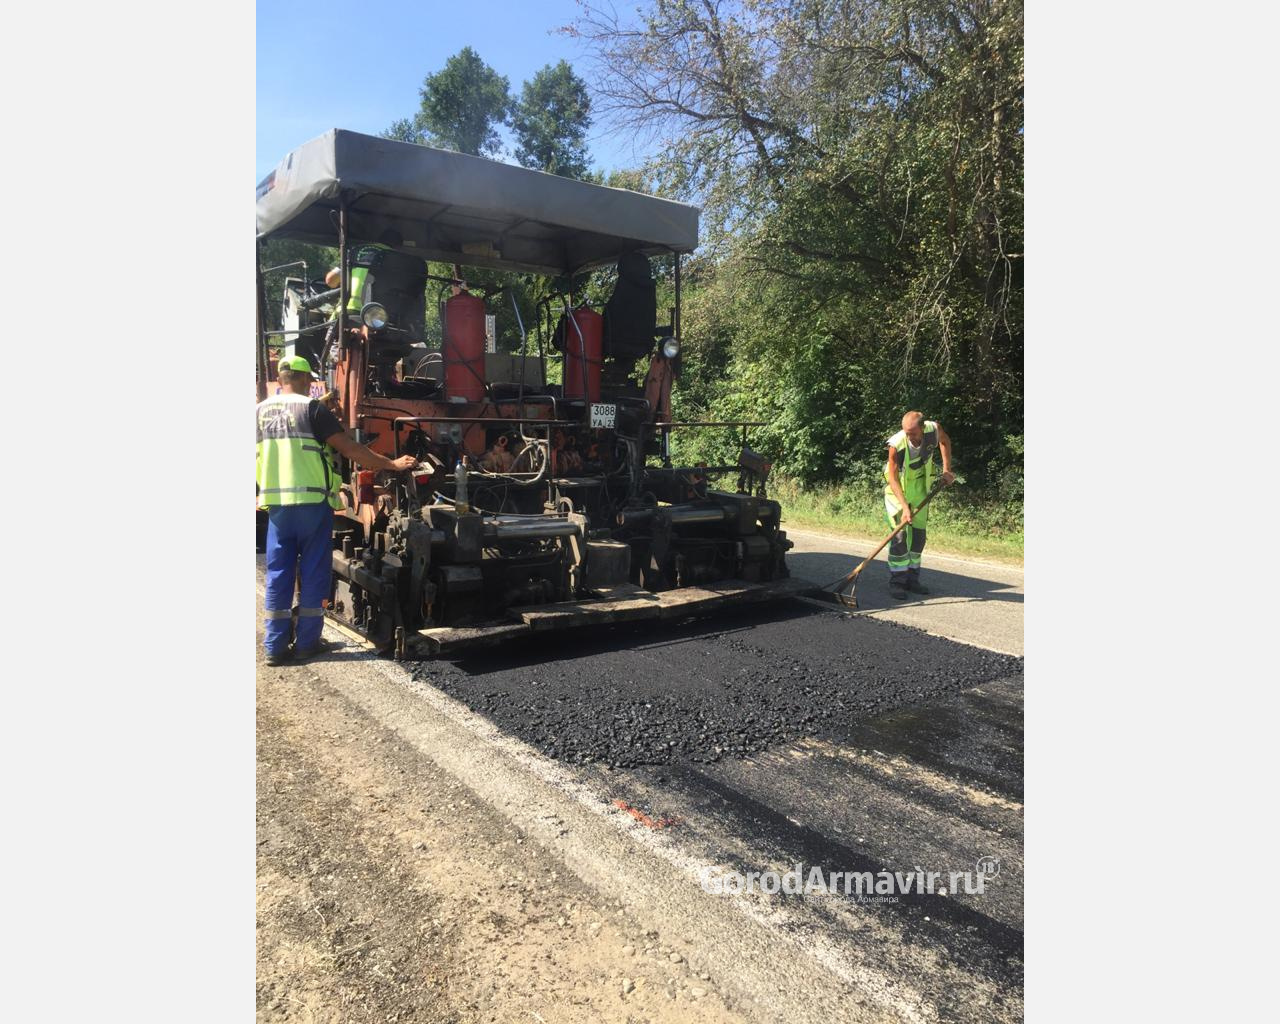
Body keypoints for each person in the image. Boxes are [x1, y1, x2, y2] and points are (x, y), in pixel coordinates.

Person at [256, 356, 416, 665]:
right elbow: (352, 449)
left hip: (277, 508)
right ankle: (307, 643)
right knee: (314, 571)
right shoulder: (311, 409)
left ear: (280, 378)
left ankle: (274, 647)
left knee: (278, 574)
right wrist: (392, 464)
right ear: (304, 380)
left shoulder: (257, 413)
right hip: (312, 506)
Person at [884, 411, 955, 600]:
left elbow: (945, 442)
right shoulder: (896, 444)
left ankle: (912, 580)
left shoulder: (934, 429)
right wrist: (905, 507)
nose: (909, 436)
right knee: (899, 538)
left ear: (922, 428)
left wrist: (947, 470)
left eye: (913, 433)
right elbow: (892, 477)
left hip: (921, 489)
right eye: (906, 432)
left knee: (918, 537)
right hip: (898, 492)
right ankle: (897, 582)